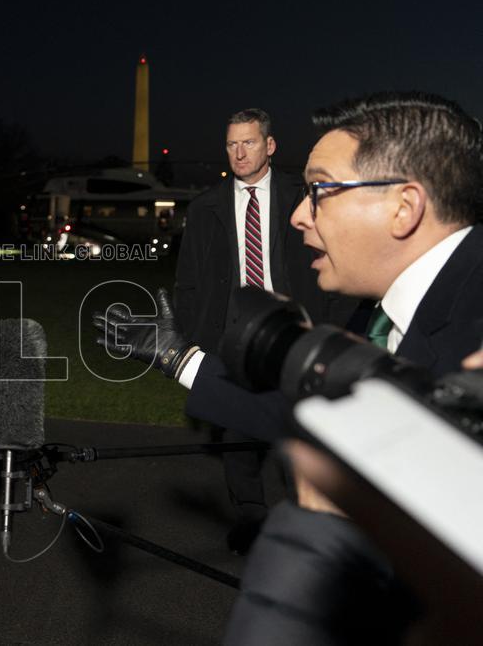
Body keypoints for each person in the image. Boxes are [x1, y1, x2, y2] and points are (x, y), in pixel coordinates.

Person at [97, 91, 483, 643]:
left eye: (320, 190)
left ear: (404, 206)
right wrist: (178, 357)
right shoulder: (378, 312)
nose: (300, 214)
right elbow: (313, 406)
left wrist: (318, 522)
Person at [173, 109, 344, 554]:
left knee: (299, 434)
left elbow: (337, 259)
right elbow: (188, 281)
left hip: (294, 332)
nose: (239, 153)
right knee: (237, 440)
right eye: (231, 144)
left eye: (248, 143)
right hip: (230, 338)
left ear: (269, 146)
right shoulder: (206, 206)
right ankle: (251, 520)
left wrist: (329, 328)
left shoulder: (301, 196)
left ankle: (305, 524)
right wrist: (194, 336)